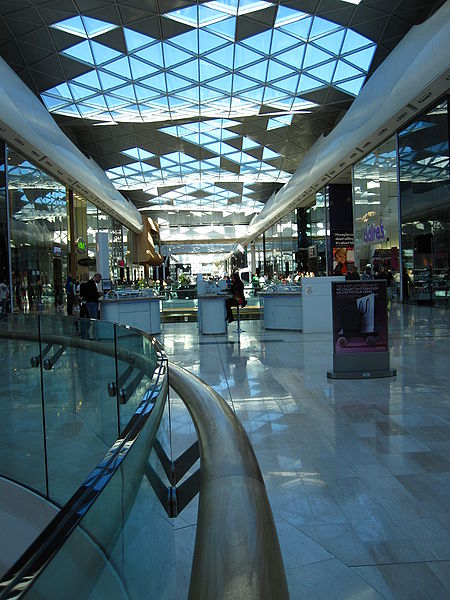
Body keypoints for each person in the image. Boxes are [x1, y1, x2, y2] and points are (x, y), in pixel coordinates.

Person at [80, 273, 103, 338]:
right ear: (97, 277)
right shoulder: (91, 284)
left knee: (89, 320)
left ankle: (87, 335)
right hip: (92, 304)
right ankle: (94, 335)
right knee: (93, 320)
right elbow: (93, 294)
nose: (99, 281)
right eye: (100, 279)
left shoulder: (88, 284)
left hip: (88, 303)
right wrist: (99, 294)